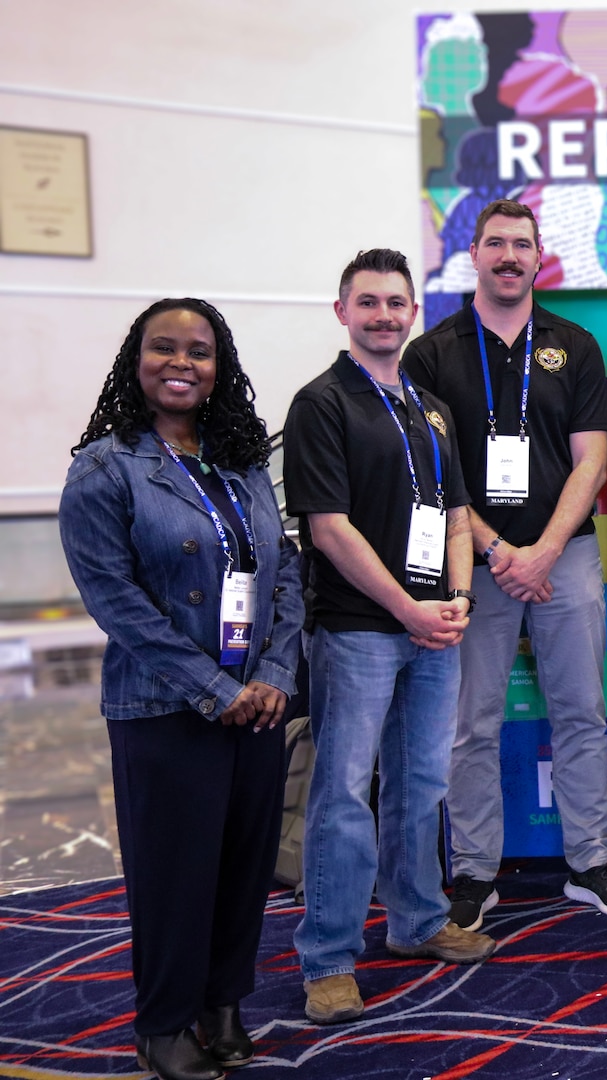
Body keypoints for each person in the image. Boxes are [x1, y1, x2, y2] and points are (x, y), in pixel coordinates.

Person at [59, 298, 303, 1079]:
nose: (181, 363)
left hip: (256, 706)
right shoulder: (104, 469)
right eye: (164, 348)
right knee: (175, 876)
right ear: (137, 359)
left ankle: (221, 1005)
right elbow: (116, 602)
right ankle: (163, 1026)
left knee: (242, 868)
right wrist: (212, 686)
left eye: (199, 352)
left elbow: (285, 573)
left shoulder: (240, 461)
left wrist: (269, 675)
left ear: (219, 367)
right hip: (164, 706)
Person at [404, 198, 607, 925]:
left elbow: (592, 459)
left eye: (522, 245)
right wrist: (500, 551)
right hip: (471, 563)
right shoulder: (432, 351)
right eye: (496, 243)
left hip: (563, 557)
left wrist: (539, 552)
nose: (509, 256)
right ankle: (474, 872)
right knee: (470, 723)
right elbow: (433, 475)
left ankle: (589, 862)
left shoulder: (576, 344)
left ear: (541, 259)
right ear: (473, 254)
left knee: (582, 713)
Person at [284, 249, 494, 1026]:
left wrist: (459, 596)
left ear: (413, 313)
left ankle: (416, 921)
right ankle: (330, 959)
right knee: (343, 795)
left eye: (395, 303)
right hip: (359, 630)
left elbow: (459, 518)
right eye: (367, 302)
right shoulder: (322, 403)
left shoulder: (429, 408)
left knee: (420, 785)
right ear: (342, 312)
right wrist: (408, 605)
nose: (382, 315)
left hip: (434, 630)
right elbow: (329, 529)